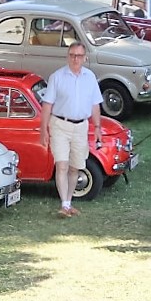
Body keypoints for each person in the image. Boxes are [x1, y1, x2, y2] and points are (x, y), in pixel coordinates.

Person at [39, 41, 104, 218]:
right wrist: (43, 129)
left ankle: (68, 201)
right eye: (72, 55)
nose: (76, 59)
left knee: (75, 167)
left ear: (85, 58)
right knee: (61, 164)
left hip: (81, 126)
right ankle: (64, 204)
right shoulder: (57, 77)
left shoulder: (90, 77)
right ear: (68, 56)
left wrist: (97, 127)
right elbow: (47, 105)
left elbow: (95, 104)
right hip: (60, 124)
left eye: (79, 56)